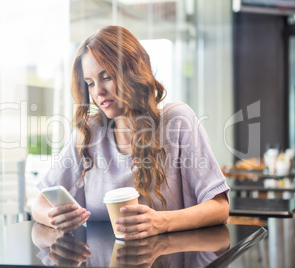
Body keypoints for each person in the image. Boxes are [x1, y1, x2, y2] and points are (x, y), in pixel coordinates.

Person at [31, 25, 230, 240]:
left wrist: (160, 222)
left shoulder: (177, 121)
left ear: (131, 71)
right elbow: (39, 203)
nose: (98, 91)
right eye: (89, 83)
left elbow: (219, 207)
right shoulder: (90, 132)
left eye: (106, 77)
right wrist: (53, 217)